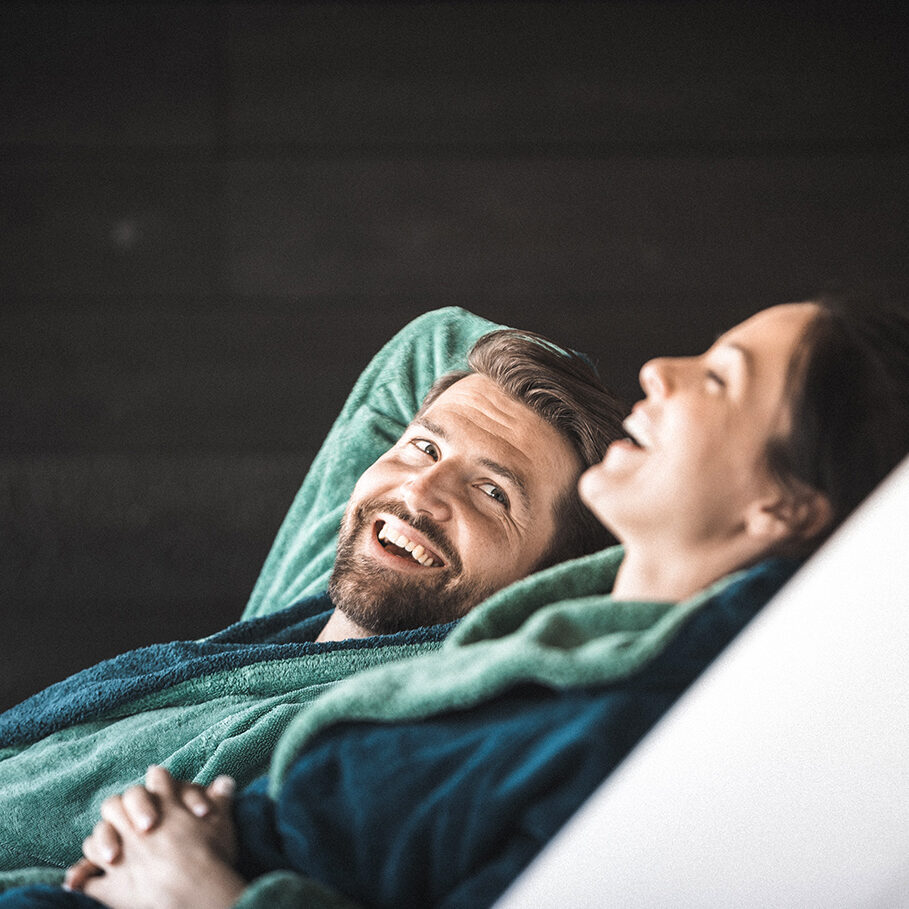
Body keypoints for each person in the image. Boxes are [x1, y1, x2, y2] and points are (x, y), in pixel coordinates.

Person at [5, 294, 908, 909]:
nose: (660, 371)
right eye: (421, 445)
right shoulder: (555, 628)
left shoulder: (615, 722)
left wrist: (200, 890)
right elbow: (435, 346)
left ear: (782, 507)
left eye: (719, 377)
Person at [0, 308, 625, 878]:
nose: (420, 493)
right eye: (425, 447)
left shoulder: (348, 739)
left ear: (550, 583)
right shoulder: (305, 607)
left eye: (492, 493)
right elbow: (433, 343)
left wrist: (652, 509)